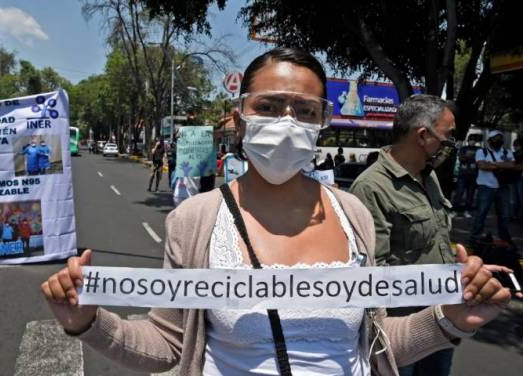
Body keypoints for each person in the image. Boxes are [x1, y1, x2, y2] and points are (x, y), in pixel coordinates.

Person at [43, 48, 510, 376]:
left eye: (304, 110)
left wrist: (449, 318)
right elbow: (167, 345)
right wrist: (85, 320)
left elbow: (377, 342)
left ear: (322, 119)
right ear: (241, 114)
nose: (286, 122)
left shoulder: (354, 215)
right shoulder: (195, 220)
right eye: (268, 106)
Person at [350, 94, 460, 376]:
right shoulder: (371, 188)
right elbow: (373, 273)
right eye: (448, 137)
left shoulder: (429, 176)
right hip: (401, 328)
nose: (450, 145)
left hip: (441, 315)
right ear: (423, 135)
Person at [470, 130, 518, 249]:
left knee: (504, 216)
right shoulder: (481, 151)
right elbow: (482, 165)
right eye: (495, 138)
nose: (498, 140)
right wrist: (503, 164)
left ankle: (505, 239)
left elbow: (512, 165)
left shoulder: (507, 152)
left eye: (500, 138)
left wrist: (492, 164)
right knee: (481, 214)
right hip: (485, 187)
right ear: (489, 140)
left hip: (503, 188)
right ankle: (474, 239)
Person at [453, 141, 480, 218]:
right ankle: (455, 210)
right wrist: (471, 157)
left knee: (470, 195)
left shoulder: (478, 149)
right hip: (463, 175)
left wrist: (468, 157)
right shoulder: (464, 148)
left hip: (473, 175)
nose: (472, 142)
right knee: (459, 193)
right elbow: (461, 158)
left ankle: (466, 211)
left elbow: (479, 160)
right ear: (468, 141)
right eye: (471, 140)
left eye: (474, 140)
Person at [511, 138, 523, 220]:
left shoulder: (520, 154)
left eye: (517, 145)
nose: (515, 147)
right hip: (515, 178)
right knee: (515, 199)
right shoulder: (514, 154)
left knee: (520, 198)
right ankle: (516, 215)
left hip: (520, 178)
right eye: (514, 145)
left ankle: (518, 216)